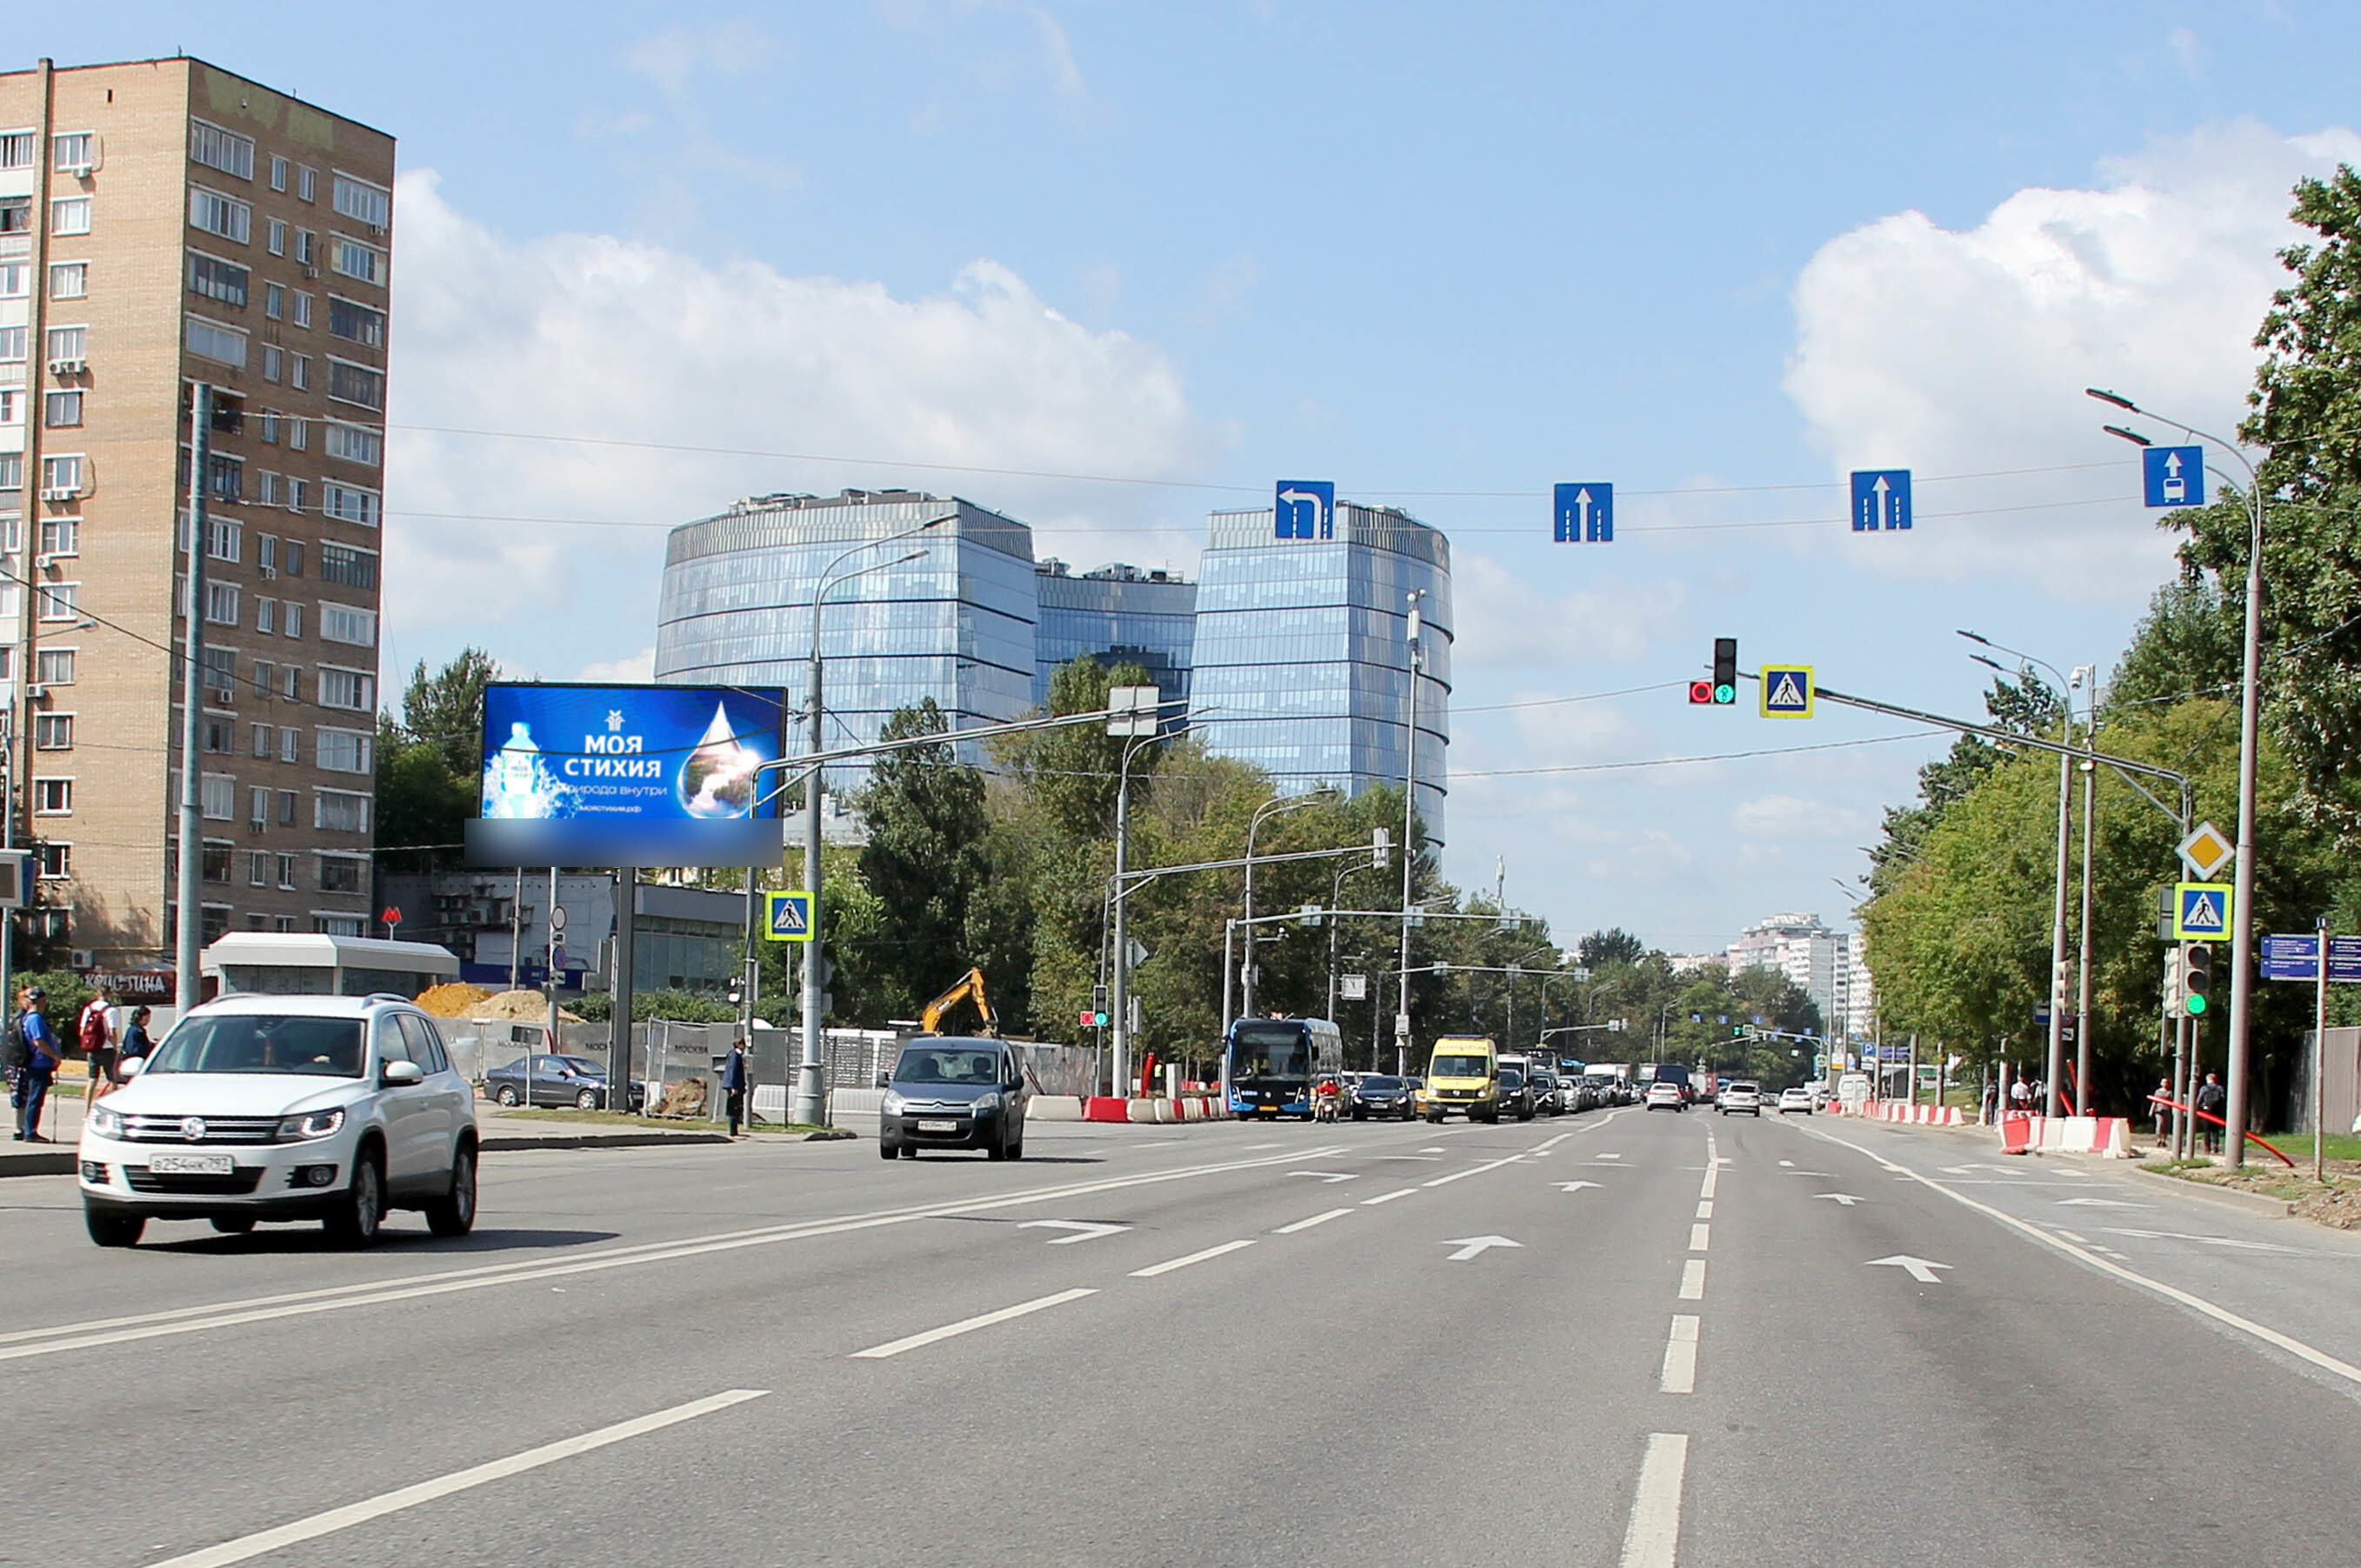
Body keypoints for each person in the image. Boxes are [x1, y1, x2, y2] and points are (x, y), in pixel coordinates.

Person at [13, 987, 59, 1143]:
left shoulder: (28, 1017)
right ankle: (30, 1132)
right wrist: (54, 1055)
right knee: (35, 1099)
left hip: (36, 1063)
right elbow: (39, 1042)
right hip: (39, 1063)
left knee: (34, 1098)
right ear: (40, 1001)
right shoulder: (35, 1019)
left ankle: (29, 1130)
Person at [79, 986, 117, 1097]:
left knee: (92, 1078)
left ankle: (88, 1105)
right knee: (112, 1079)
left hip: (92, 1048)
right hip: (107, 1048)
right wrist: (116, 1047)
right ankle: (111, 1102)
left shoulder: (88, 1009)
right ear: (109, 994)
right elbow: (112, 1032)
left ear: (97, 994)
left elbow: (82, 1031)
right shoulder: (111, 1010)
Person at [721, 1032, 750, 1139]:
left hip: (737, 1085)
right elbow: (733, 1071)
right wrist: (734, 1087)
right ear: (738, 1045)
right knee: (734, 1108)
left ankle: (735, 1130)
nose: (744, 1046)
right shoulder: (734, 1055)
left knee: (737, 1108)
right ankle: (733, 1132)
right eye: (743, 1044)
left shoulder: (737, 1055)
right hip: (734, 1086)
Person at [2195, 1071, 2228, 1155]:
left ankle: (2207, 1147)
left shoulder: (2204, 1088)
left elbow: (2199, 1099)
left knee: (2207, 1130)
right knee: (2215, 1129)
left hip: (2206, 1111)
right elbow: (2223, 1099)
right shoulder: (2220, 1088)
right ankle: (2215, 1145)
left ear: (2207, 1079)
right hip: (2217, 1111)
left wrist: (2197, 1108)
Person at [120, 1006, 155, 1070]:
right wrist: (150, 1046)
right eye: (147, 1018)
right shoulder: (135, 1031)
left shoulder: (136, 1030)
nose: (148, 1020)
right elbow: (133, 1049)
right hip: (134, 1064)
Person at [2150, 1077, 2172, 1147]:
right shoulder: (2157, 1091)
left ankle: (2164, 1140)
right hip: (2158, 1110)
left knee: (2166, 1125)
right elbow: (2154, 1101)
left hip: (2166, 1110)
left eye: (2166, 1082)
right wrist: (2151, 1110)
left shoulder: (2169, 1092)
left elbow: (2172, 1102)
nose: (2164, 1083)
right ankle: (2158, 1139)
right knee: (2159, 1124)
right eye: (2163, 1082)